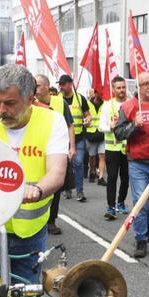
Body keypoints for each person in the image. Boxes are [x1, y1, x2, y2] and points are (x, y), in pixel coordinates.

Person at [0, 65, 67, 297]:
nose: (1, 110)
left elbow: (56, 174)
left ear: (30, 99)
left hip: (30, 231)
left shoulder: (52, 122)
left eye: (10, 103)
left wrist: (35, 190)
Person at [113, 71, 149, 258]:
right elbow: (119, 133)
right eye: (145, 83)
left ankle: (145, 225)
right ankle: (141, 239)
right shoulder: (129, 107)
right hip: (138, 163)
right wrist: (133, 126)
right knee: (140, 202)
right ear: (138, 86)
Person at [34, 73, 76, 235]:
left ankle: (51, 221)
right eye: (34, 86)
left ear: (47, 86)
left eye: (38, 85)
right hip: (37, 151)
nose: (35, 89)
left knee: (55, 187)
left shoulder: (60, 102)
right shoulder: (30, 103)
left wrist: (72, 147)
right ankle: (38, 219)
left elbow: (69, 125)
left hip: (56, 151)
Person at [99, 76, 129, 221]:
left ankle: (121, 202)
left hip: (128, 148)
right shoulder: (107, 105)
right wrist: (109, 127)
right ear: (113, 89)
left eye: (123, 87)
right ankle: (111, 207)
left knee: (126, 178)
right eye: (118, 88)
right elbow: (100, 126)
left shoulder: (131, 104)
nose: (122, 90)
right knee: (112, 178)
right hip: (112, 149)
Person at [57, 74, 91, 202]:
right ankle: (67, 189)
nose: (60, 86)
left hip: (79, 137)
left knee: (78, 163)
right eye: (60, 84)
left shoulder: (80, 98)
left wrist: (88, 120)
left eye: (63, 84)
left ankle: (79, 191)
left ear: (70, 84)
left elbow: (88, 115)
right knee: (66, 165)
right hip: (62, 139)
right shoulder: (57, 100)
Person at [85, 90, 106, 185]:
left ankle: (101, 177)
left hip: (102, 133)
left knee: (102, 155)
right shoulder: (87, 104)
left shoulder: (105, 104)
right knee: (92, 156)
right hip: (91, 134)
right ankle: (92, 171)